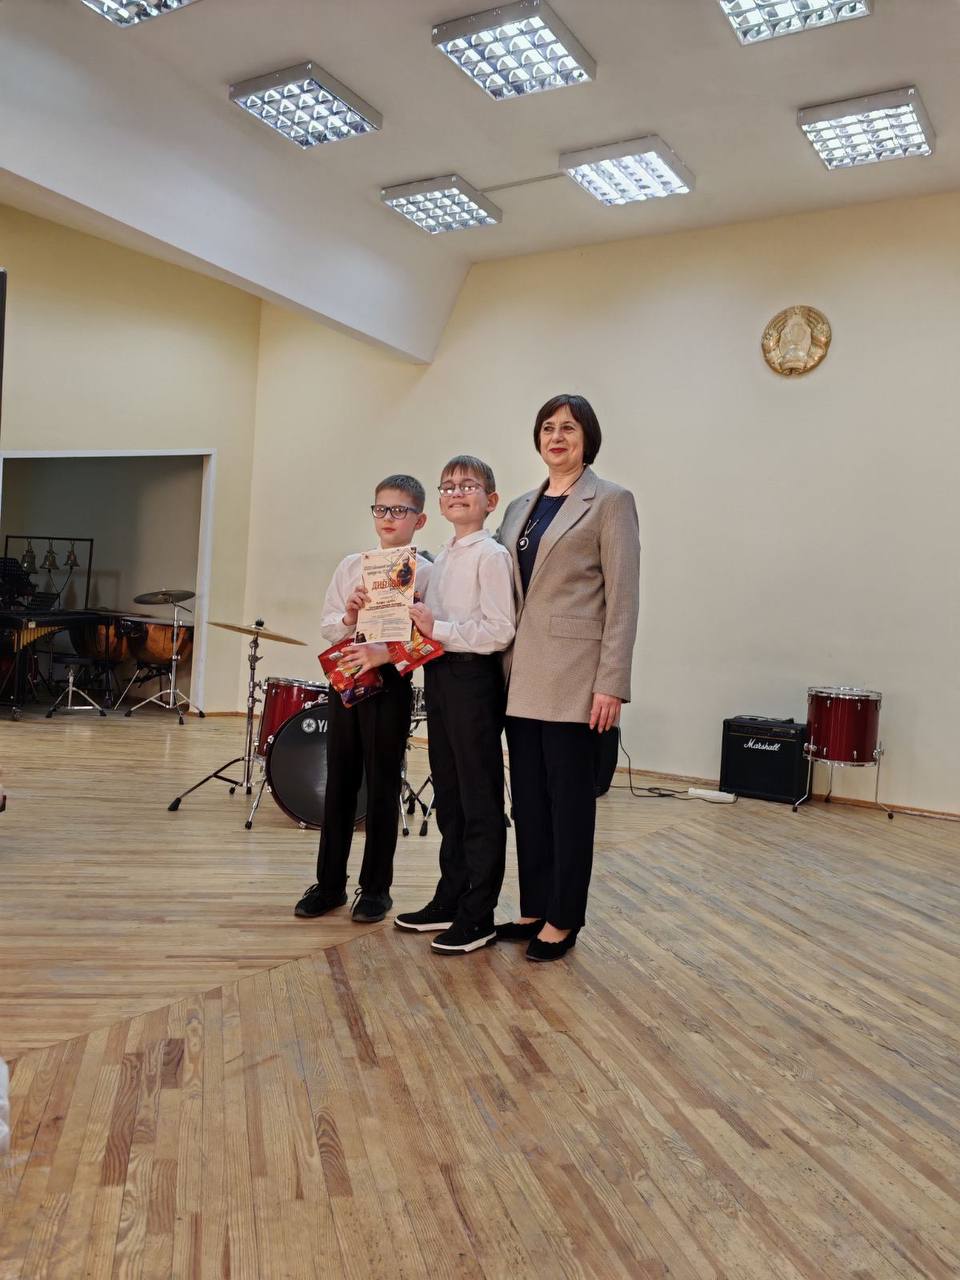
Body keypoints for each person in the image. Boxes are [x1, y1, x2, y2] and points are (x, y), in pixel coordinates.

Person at [496, 395, 640, 961]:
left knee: (569, 804)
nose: (557, 437)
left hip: (576, 678)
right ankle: (534, 907)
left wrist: (612, 682)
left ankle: (563, 917)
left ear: (588, 438)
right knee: (528, 802)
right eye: (548, 428)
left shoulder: (611, 502)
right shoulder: (518, 508)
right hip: (519, 674)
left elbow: (623, 599)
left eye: (569, 428)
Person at [294, 475, 430, 924]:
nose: (388, 518)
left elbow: (428, 640)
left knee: (384, 784)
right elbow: (328, 627)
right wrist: (350, 615)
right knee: (340, 781)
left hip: (390, 681)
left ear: (420, 520)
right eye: (381, 509)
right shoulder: (352, 565)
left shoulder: (427, 570)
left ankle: (375, 889)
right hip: (349, 675)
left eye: (400, 510)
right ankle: (329, 884)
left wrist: (387, 649)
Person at [395, 456, 516, 954]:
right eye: (447, 486)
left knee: (479, 798)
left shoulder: (491, 555)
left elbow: (500, 630)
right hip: (441, 674)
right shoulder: (441, 558)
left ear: (491, 500)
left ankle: (478, 913)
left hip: (473, 678)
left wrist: (437, 628)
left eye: (468, 485)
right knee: (449, 793)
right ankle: (450, 896)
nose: (456, 492)